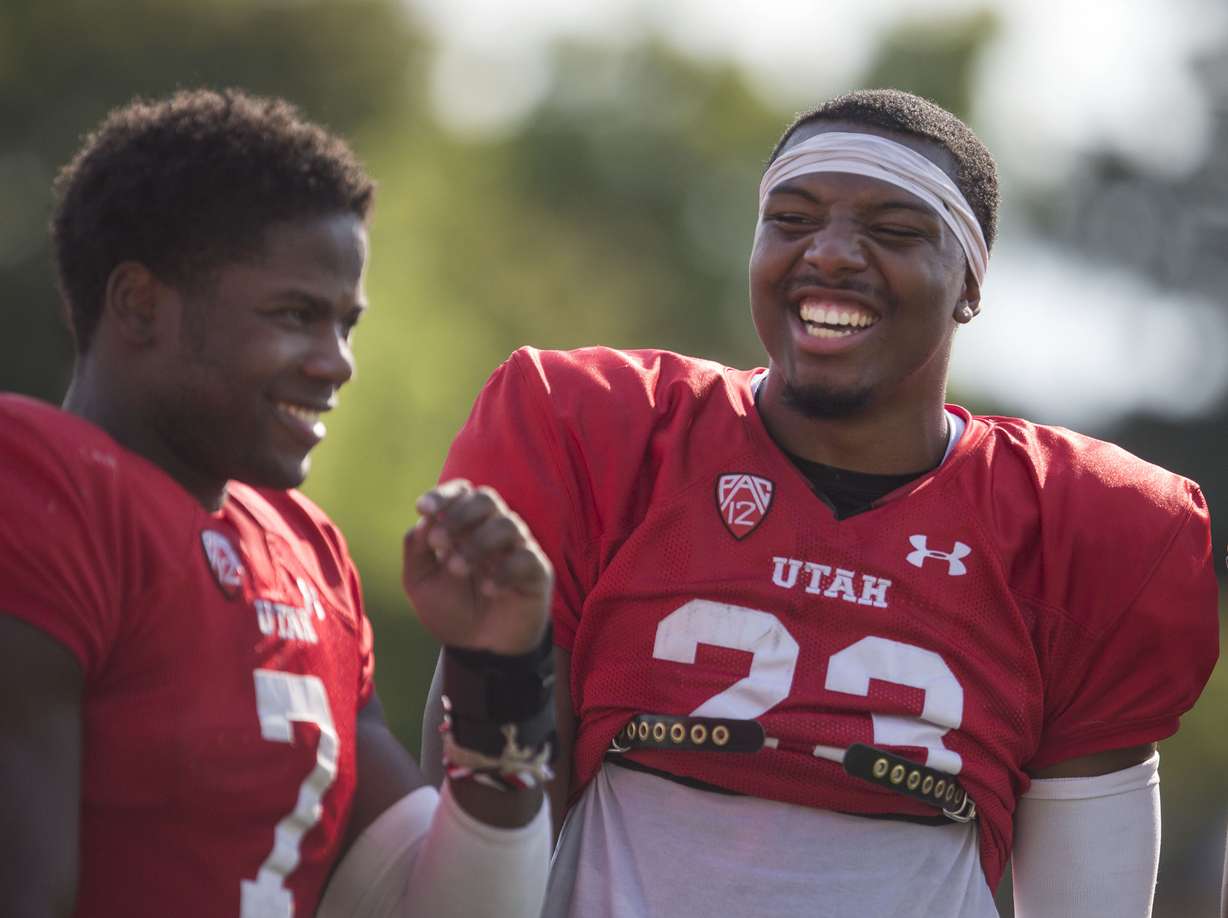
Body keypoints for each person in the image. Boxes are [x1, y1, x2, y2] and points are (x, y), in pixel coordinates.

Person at [425, 89, 1220, 917]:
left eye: (896, 230)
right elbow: (484, 821)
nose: (832, 255)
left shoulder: (1079, 525)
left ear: (970, 285)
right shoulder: (602, 434)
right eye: (792, 220)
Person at [0, 89, 555, 918]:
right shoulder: (36, 479)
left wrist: (500, 672)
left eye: (346, 324)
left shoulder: (307, 553)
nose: (337, 363)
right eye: (296, 314)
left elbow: (437, 906)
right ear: (140, 304)